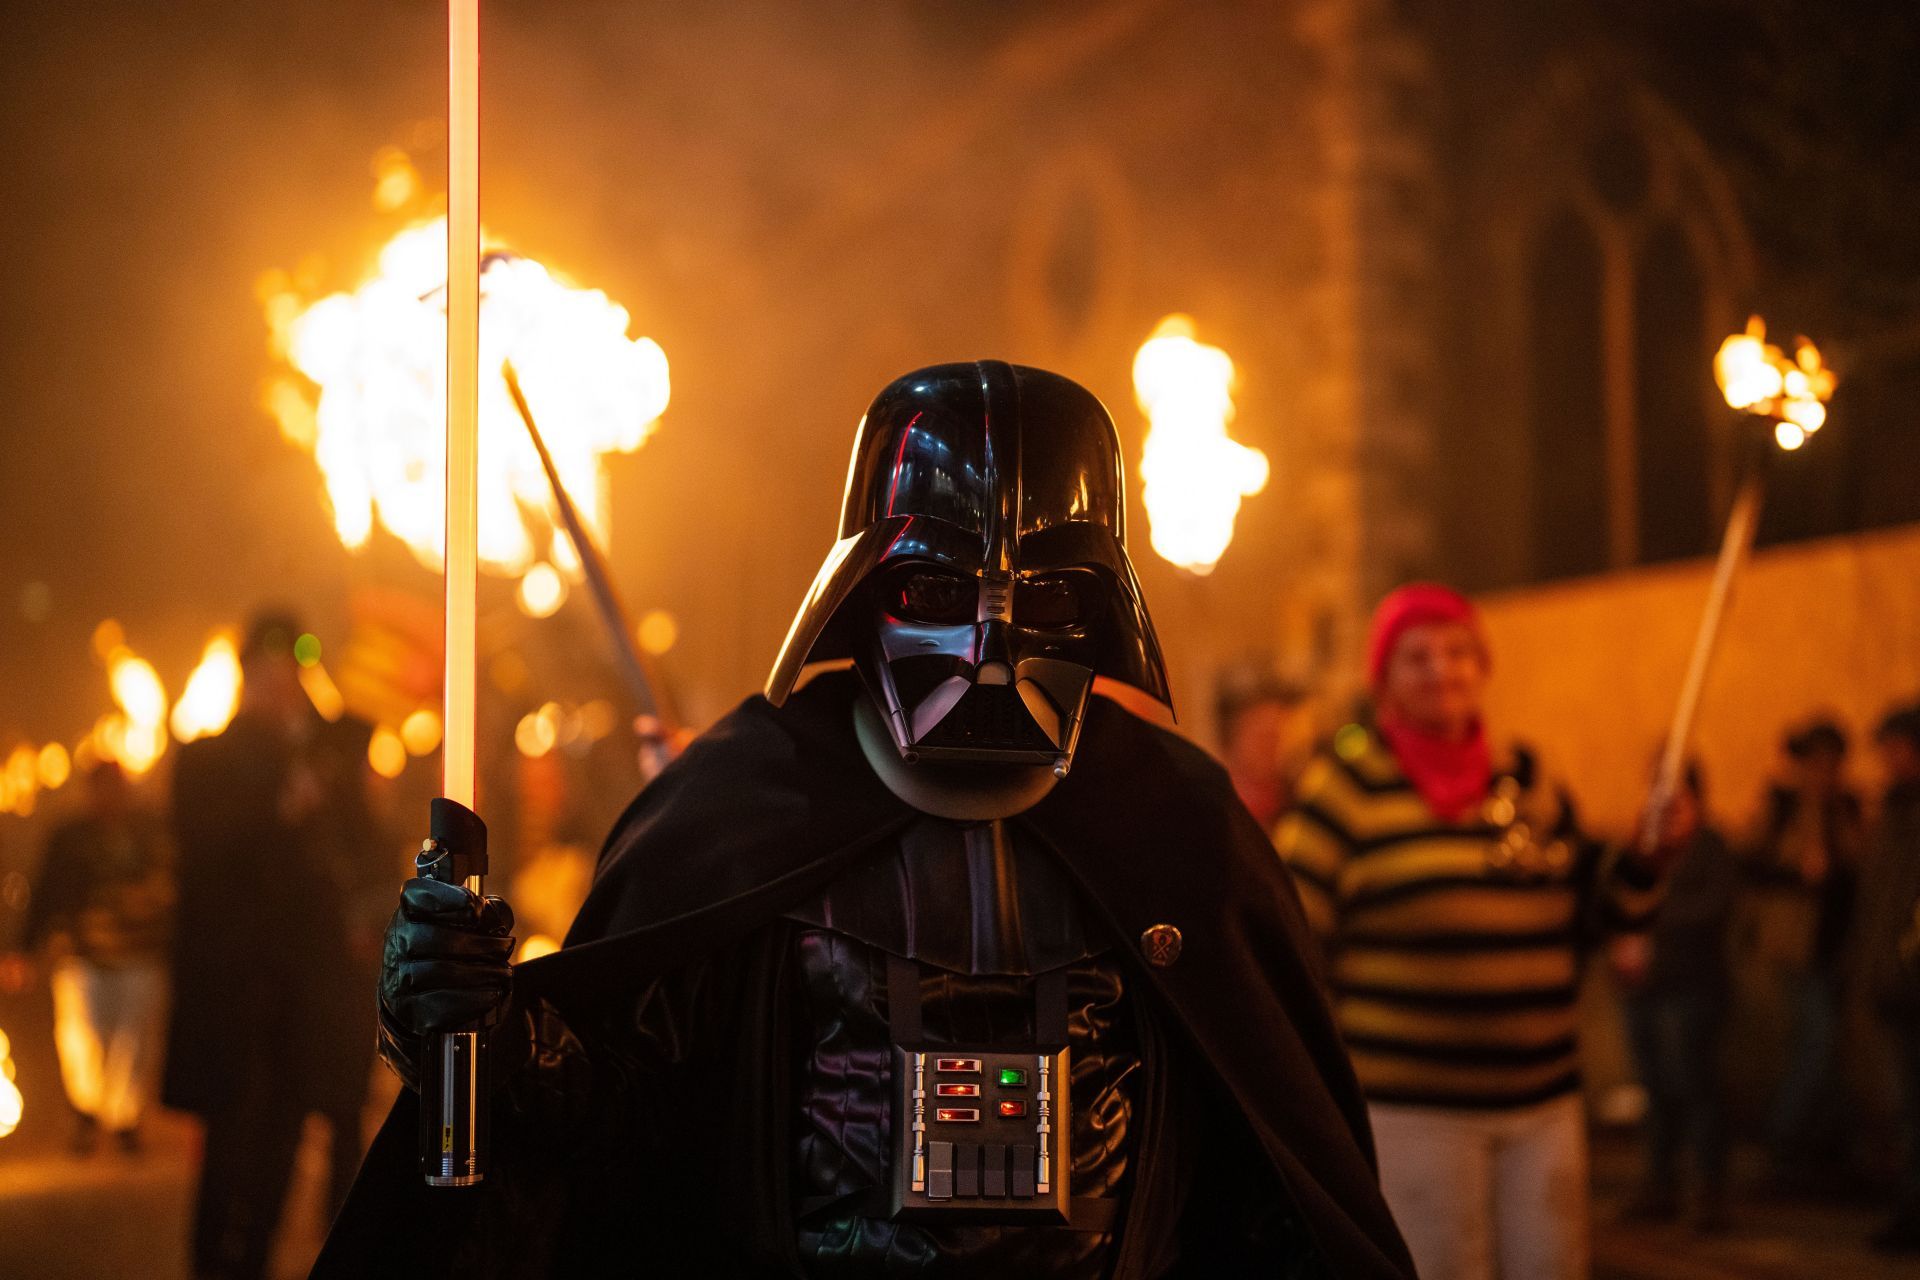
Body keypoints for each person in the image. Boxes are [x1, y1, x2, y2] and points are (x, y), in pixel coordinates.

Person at [318, 362, 1417, 1278]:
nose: (990, 645)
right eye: (939, 593)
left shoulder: (1175, 823)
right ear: (861, 591)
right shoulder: (744, 806)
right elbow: (615, 1124)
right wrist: (481, 1029)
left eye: (1040, 599)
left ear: (1101, 611)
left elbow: (1273, 1156)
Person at [1272, 582, 1670, 1280]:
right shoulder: (1348, 787)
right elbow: (1289, 945)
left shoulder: (1529, 777)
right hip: (1412, 1115)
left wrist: (1645, 857)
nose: (1441, 670)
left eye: (1457, 652)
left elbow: (1601, 916)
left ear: (1482, 665)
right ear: (1385, 680)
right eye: (1416, 657)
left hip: (1544, 1105)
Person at [165, 611, 383, 1280]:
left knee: (284, 1145)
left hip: (301, 994)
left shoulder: (321, 757)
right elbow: (201, 850)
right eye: (269, 665)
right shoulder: (205, 759)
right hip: (233, 991)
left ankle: (252, 1263)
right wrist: (279, 805)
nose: (281, 679)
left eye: (292, 665)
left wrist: (336, 780)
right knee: (231, 1148)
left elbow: (367, 850)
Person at [6, 761, 172, 1153]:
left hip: (139, 954)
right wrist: (24, 950)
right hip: (83, 955)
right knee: (84, 1038)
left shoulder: (150, 834)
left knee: (132, 1042)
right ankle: (87, 1113)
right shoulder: (70, 838)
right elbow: (46, 893)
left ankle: (124, 1119)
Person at [1609, 762, 1738, 1231]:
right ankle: (1659, 1186)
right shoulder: (1644, 846)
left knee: (1697, 1088)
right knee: (1655, 1090)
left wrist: (1650, 933)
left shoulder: (1712, 847)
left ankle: (1709, 1191)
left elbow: (1710, 908)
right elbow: (1618, 898)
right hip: (1644, 988)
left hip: (1692, 987)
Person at [1747, 717, 1865, 1187]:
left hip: (1838, 948)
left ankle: (1819, 1146)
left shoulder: (1848, 807)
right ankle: (1782, 1140)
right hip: (1794, 949)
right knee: (1816, 1044)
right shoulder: (1781, 805)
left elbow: (1857, 871)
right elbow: (1751, 862)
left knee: (1829, 1048)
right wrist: (1798, 872)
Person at [1855, 702, 1920, 1251]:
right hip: (1894, 985)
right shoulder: (1891, 814)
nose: (1888, 758)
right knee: (1905, 1108)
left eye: (1896, 746)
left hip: (1912, 982)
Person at [1215, 666, 1310, 830]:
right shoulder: (1215, 817)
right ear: (1230, 738)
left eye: (1277, 734)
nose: (1272, 746)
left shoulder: (1301, 805)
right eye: (1261, 734)